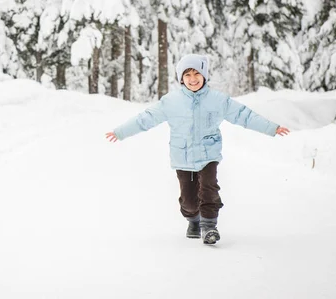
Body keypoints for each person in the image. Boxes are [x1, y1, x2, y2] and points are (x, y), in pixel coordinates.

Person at [105, 54, 290, 245]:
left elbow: (244, 115)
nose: (193, 79)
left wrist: (271, 128)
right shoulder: (171, 101)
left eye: (197, 73)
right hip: (182, 156)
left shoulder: (218, 100)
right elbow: (145, 119)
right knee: (189, 201)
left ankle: (209, 226)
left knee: (209, 188)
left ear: (204, 75)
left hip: (208, 154)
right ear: (181, 78)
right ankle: (193, 220)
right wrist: (120, 132)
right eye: (188, 75)